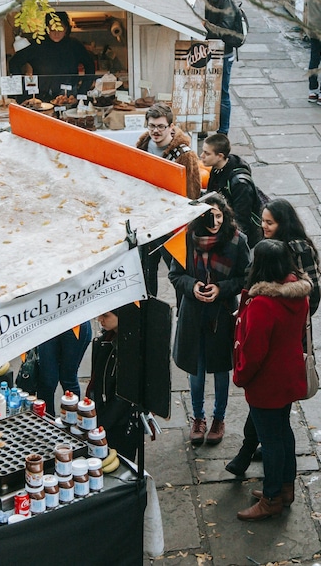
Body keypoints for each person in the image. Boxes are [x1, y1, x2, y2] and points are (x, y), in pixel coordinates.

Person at [226, 198, 321, 475]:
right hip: (281, 334)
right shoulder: (269, 250)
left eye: (270, 222)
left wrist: (286, 321)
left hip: (285, 339)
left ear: (283, 223)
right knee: (273, 414)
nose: (264, 226)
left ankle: (264, 473)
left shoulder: (293, 251)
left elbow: (310, 294)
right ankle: (253, 456)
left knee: (269, 409)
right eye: (263, 221)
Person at [232, 239, 312, 521]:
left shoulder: (263, 305)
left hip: (266, 383)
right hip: (288, 376)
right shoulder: (298, 295)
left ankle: (271, 497)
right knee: (283, 433)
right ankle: (285, 488)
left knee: (271, 441)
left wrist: (240, 375)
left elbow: (254, 351)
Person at [169, 194, 250, 446]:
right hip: (193, 314)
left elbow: (245, 278)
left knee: (221, 368)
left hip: (222, 314)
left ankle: (219, 418)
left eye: (219, 215)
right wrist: (193, 286)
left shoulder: (237, 241)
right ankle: (198, 417)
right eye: (209, 216)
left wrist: (221, 289)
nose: (214, 221)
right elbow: (175, 274)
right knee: (197, 367)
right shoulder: (186, 239)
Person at [137, 104, 203, 296]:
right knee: (146, 272)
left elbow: (193, 190)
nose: (155, 131)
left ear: (171, 127)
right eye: (151, 126)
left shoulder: (184, 154)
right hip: (148, 220)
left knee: (177, 272)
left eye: (160, 126)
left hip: (171, 224)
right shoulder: (143, 144)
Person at [8, 11, 96, 99]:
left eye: (60, 29)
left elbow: (90, 66)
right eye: (52, 29)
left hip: (69, 96)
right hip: (41, 96)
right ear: (47, 29)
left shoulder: (74, 45)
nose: (56, 33)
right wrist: (21, 90)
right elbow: (14, 63)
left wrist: (83, 91)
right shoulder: (37, 44)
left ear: (66, 29)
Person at [87, 310, 138, 460]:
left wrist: (101, 422)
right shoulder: (103, 341)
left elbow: (125, 396)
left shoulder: (130, 347)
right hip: (103, 415)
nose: (100, 319)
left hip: (119, 424)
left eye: (106, 315)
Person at [200, 133, 262, 247]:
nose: (201, 155)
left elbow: (242, 220)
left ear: (220, 156)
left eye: (207, 153)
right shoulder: (217, 167)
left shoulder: (240, 184)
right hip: (223, 222)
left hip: (238, 236)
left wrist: (233, 246)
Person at [37, 322, 92, 414]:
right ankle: (45, 422)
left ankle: (72, 421)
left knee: (68, 378)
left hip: (75, 323)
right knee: (47, 381)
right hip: (48, 321)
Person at [204, 0, 238, 134]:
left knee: (223, 92)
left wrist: (204, 26)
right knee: (208, 90)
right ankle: (206, 126)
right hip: (211, 50)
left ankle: (223, 130)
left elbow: (225, 29)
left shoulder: (226, 0)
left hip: (224, 53)